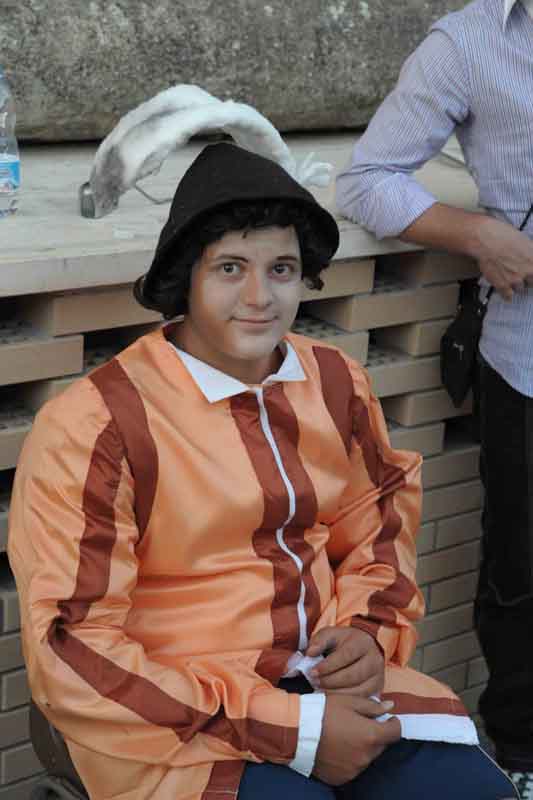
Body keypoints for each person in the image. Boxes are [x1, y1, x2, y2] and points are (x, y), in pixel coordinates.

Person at [8, 142, 515, 800]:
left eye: (281, 268)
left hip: (327, 684)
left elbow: (380, 520)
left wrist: (366, 634)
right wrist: (295, 733)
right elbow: (73, 646)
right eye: (229, 268)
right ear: (184, 278)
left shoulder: (334, 380)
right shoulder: (98, 425)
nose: (259, 296)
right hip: (175, 719)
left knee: (471, 792)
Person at [335, 0, 533, 795]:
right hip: (528, 362)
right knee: (522, 577)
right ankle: (522, 757)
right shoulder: (471, 41)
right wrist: (478, 234)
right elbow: (366, 181)